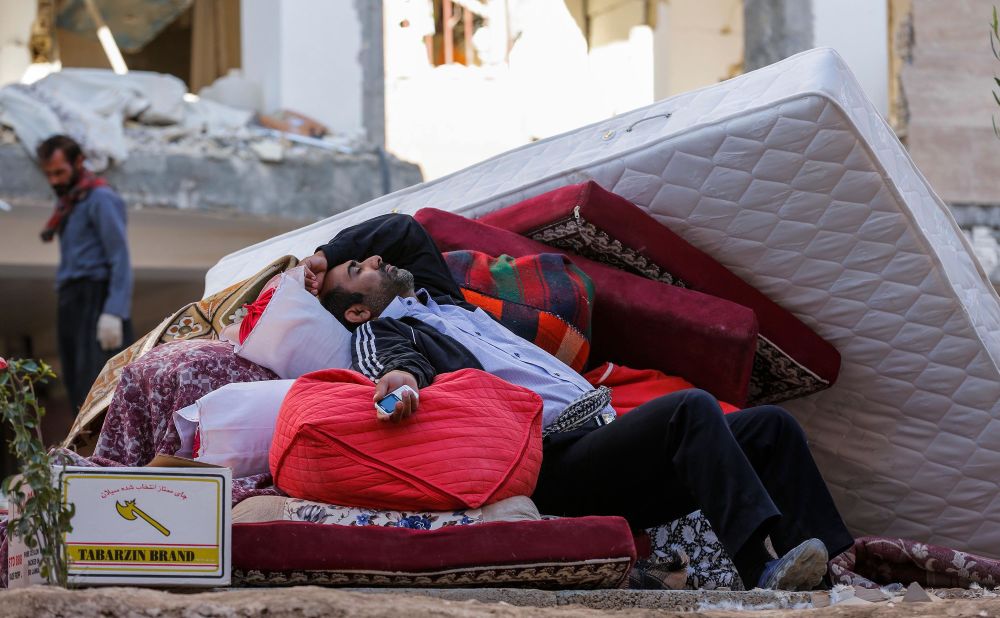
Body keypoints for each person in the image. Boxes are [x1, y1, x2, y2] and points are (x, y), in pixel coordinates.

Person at [300, 213, 853, 591]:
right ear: (355, 310)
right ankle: (761, 572)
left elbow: (403, 229)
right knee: (690, 408)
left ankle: (831, 579)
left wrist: (330, 255)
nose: (373, 259)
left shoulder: (434, 297)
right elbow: (392, 367)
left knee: (771, 428)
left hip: (603, 433)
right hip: (553, 459)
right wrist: (400, 384)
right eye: (359, 270)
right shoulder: (381, 331)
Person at [37, 135, 134, 412]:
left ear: (79, 162)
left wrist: (114, 311)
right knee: (77, 386)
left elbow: (120, 257)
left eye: (60, 172)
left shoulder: (101, 198)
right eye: (49, 175)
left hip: (97, 297)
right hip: (72, 301)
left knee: (101, 390)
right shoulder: (71, 202)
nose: (54, 180)